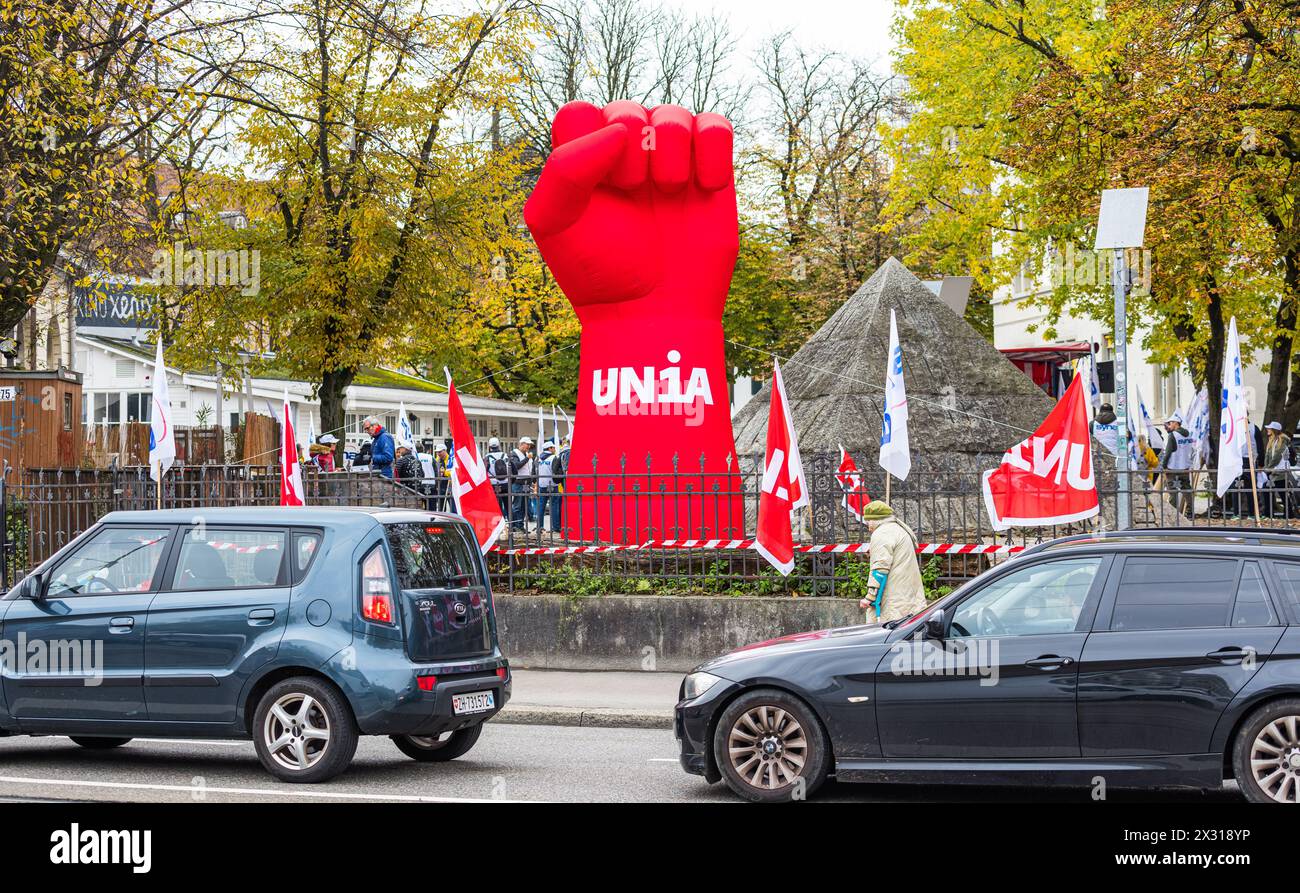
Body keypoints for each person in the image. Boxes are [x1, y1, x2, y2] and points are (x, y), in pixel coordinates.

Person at [856, 501, 926, 624]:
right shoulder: (899, 529)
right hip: (909, 595)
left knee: (886, 637)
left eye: (868, 522)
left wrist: (870, 597)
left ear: (874, 520)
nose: (868, 527)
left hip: (894, 599)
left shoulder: (882, 533)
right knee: (912, 633)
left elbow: (880, 568)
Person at [1158, 413, 1196, 516]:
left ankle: (1173, 514)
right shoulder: (1188, 434)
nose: (1169, 425)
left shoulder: (1173, 435)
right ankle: (1190, 512)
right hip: (1185, 467)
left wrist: (1163, 466)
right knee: (1187, 489)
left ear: (1176, 423)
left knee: (1173, 491)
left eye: (1170, 423)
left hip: (1173, 468)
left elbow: (1168, 452)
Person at [1263, 421, 1297, 518]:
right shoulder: (1272, 440)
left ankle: (1288, 515)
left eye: (1269, 428)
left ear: (1274, 430)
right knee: (1268, 491)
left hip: (1280, 471)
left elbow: (1277, 456)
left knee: (1283, 494)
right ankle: (1269, 514)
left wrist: (1268, 467)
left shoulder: (1282, 440)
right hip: (1273, 471)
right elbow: (1268, 455)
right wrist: (1267, 467)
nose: (1267, 430)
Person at [508, 436, 535, 531]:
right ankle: (515, 526)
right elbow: (516, 466)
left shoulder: (526, 454)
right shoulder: (514, 454)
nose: (528, 446)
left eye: (529, 445)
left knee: (524, 505)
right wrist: (527, 459)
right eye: (527, 444)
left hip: (526, 483)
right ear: (521, 444)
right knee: (517, 505)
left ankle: (520, 525)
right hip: (518, 483)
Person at [534, 442, 558, 532]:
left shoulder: (538, 458)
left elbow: (534, 471)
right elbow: (556, 471)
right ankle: (555, 527)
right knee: (554, 506)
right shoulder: (553, 458)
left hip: (542, 484)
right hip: (552, 484)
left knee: (541, 506)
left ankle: (539, 526)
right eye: (553, 448)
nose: (554, 449)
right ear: (550, 448)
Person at [484, 436, 510, 516]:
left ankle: (500, 525)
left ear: (489, 446)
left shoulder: (487, 457)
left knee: (496, 507)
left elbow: (484, 471)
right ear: (499, 445)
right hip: (506, 484)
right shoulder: (505, 455)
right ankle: (511, 524)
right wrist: (510, 481)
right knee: (508, 505)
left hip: (493, 484)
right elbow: (514, 469)